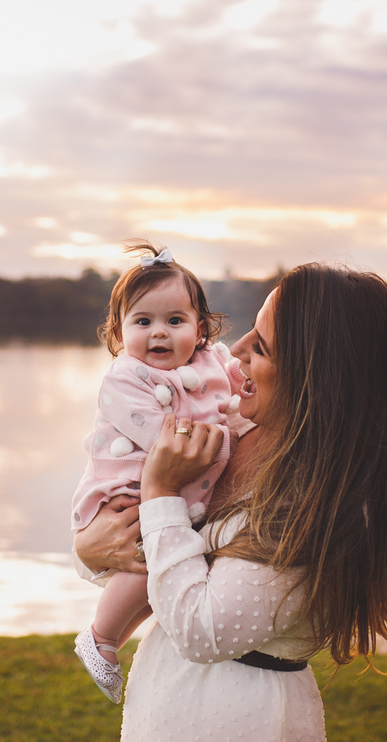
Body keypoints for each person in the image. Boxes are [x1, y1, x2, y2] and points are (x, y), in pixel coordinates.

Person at [74, 263, 387, 742]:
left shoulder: (316, 497)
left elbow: (201, 630)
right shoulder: (238, 434)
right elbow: (154, 551)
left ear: (316, 374)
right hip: (169, 708)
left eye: (260, 345)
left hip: (241, 718)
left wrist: (159, 491)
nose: (234, 349)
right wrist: (90, 550)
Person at [72, 242, 246, 703]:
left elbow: (241, 392)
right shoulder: (126, 377)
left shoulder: (213, 362)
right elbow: (158, 437)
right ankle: (101, 636)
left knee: (159, 573)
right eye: (142, 322)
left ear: (201, 328)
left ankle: (117, 636)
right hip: (129, 488)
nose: (159, 334)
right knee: (146, 560)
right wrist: (217, 442)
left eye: (175, 321)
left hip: (178, 491)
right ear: (118, 330)